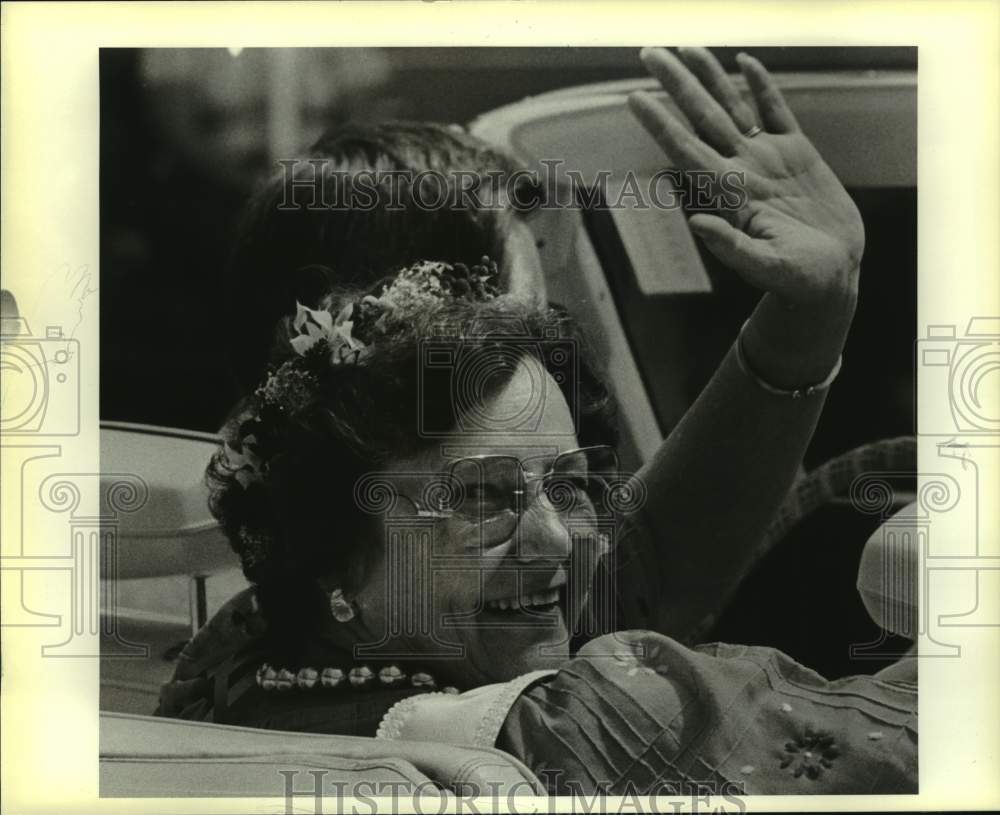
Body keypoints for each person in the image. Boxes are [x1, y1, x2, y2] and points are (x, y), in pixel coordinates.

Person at [157, 48, 916, 794]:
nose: (558, 333)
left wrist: (811, 313)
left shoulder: (239, 657)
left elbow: (627, 572)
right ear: (401, 331)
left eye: (570, 485)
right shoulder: (573, 717)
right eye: (525, 310)